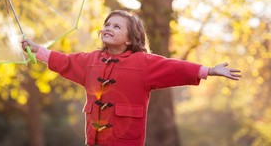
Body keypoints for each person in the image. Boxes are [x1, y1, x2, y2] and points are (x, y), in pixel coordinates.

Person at [21, 10, 241, 146]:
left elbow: (175, 68)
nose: (108, 28)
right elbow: (64, 61)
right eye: (107, 24)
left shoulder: (143, 63)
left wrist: (209, 70)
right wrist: (37, 49)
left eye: (117, 26)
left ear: (129, 39)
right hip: (94, 141)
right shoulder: (91, 60)